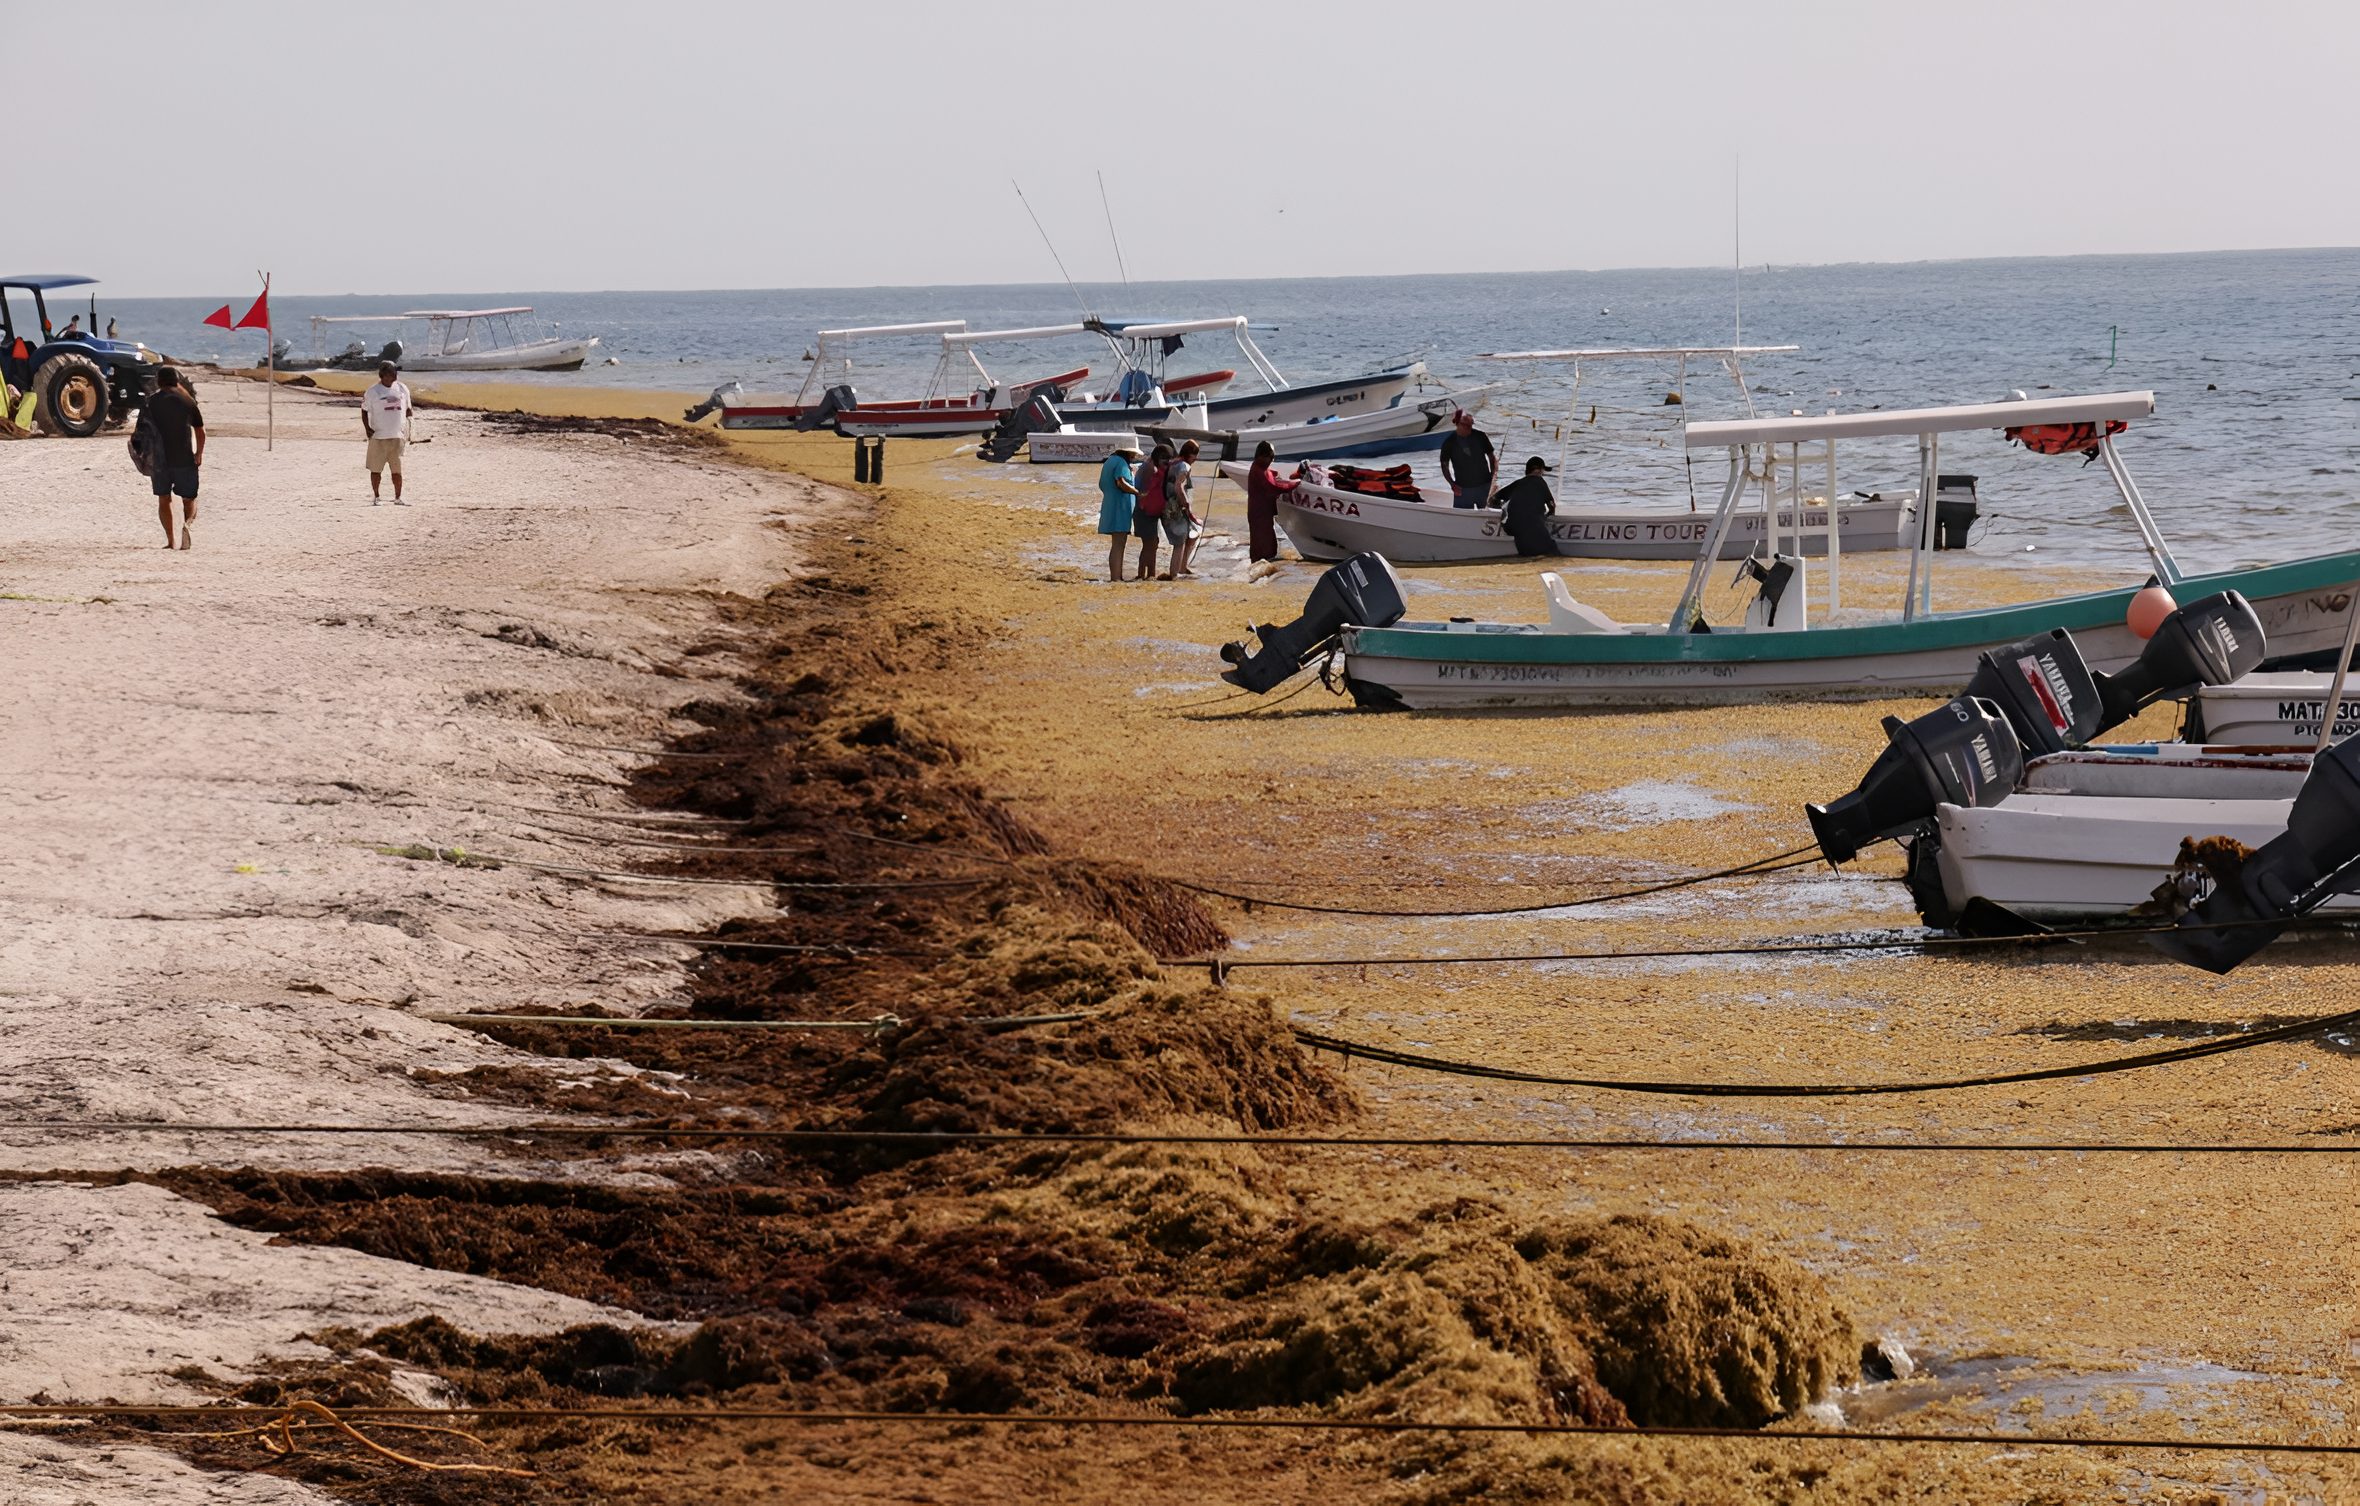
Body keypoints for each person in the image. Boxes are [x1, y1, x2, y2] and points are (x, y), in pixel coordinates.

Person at [145, 367, 204, 551]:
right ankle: (187, 525)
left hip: (160, 459)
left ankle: (171, 541)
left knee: (164, 498)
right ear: (177, 381)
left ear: (159, 382)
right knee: (189, 498)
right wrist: (198, 453)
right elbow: (200, 430)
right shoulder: (187, 401)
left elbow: (142, 430)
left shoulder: (151, 402)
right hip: (184, 457)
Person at [362, 361, 413, 504]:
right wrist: (367, 428)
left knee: (397, 470)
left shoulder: (402, 388)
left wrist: (409, 429)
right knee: (376, 469)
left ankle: (398, 497)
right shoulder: (372, 392)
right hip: (378, 437)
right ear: (383, 374)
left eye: (395, 372)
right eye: (392, 372)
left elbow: (408, 410)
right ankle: (376, 497)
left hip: (397, 437)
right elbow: (364, 410)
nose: (395, 374)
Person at [1492, 456, 1562, 556]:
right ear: (1539, 470)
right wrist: (1546, 517)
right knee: (1552, 554)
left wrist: (1500, 509)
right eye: (1543, 471)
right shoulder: (1541, 483)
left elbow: (1494, 498)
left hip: (1511, 527)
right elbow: (1551, 506)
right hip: (1533, 526)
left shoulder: (1518, 483)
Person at [1244, 439, 1300, 563]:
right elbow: (1272, 487)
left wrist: (1277, 474)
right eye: (1270, 457)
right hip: (1259, 512)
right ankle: (1262, 561)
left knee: (1267, 538)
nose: (1271, 460)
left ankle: (1263, 560)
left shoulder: (1260, 467)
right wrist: (1293, 485)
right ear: (1262, 456)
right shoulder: (1258, 471)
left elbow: (1270, 474)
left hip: (1264, 511)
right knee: (1263, 541)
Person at [1096, 441, 1142, 581]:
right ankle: (1116, 578)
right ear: (1128, 452)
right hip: (1119, 507)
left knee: (1116, 543)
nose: (1134, 456)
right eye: (1133, 454)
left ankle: (1116, 576)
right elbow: (1121, 482)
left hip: (1111, 505)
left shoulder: (1110, 461)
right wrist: (1137, 492)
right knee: (1119, 544)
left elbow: (1103, 485)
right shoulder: (1121, 463)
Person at [1439, 409, 1496, 509]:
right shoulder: (1449, 442)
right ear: (1457, 424)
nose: (1468, 428)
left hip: (1484, 485)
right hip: (1462, 488)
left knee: (1489, 513)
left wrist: (1493, 476)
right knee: (1460, 516)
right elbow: (1444, 465)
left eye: (1470, 425)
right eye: (1465, 425)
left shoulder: (1480, 436)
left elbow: (1491, 457)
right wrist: (1452, 484)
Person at [1161, 439, 1201, 579]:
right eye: (1195, 455)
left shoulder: (1173, 462)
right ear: (1189, 454)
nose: (1196, 458)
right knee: (1179, 542)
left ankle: (1183, 567)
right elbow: (1179, 486)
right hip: (1177, 508)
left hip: (1167, 506)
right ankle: (1174, 574)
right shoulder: (1184, 466)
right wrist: (1187, 505)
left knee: (1192, 534)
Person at [1132, 443, 1171, 580]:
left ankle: (1146, 575)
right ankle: (1146, 575)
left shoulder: (1148, 465)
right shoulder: (1151, 469)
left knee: (1151, 544)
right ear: (1157, 457)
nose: (1167, 461)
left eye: (1169, 458)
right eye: (1164, 458)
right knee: (1150, 544)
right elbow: (1148, 492)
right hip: (1144, 510)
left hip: (1144, 510)